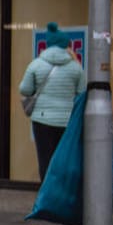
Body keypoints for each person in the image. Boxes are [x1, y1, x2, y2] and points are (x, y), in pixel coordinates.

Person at [20, 23, 84, 180]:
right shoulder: (75, 68)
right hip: (66, 120)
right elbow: (82, 93)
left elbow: (24, 89)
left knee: (45, 160)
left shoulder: (36, 65)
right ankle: (61, 194)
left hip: (42, 120)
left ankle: (46, 195)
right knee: (64, 160)